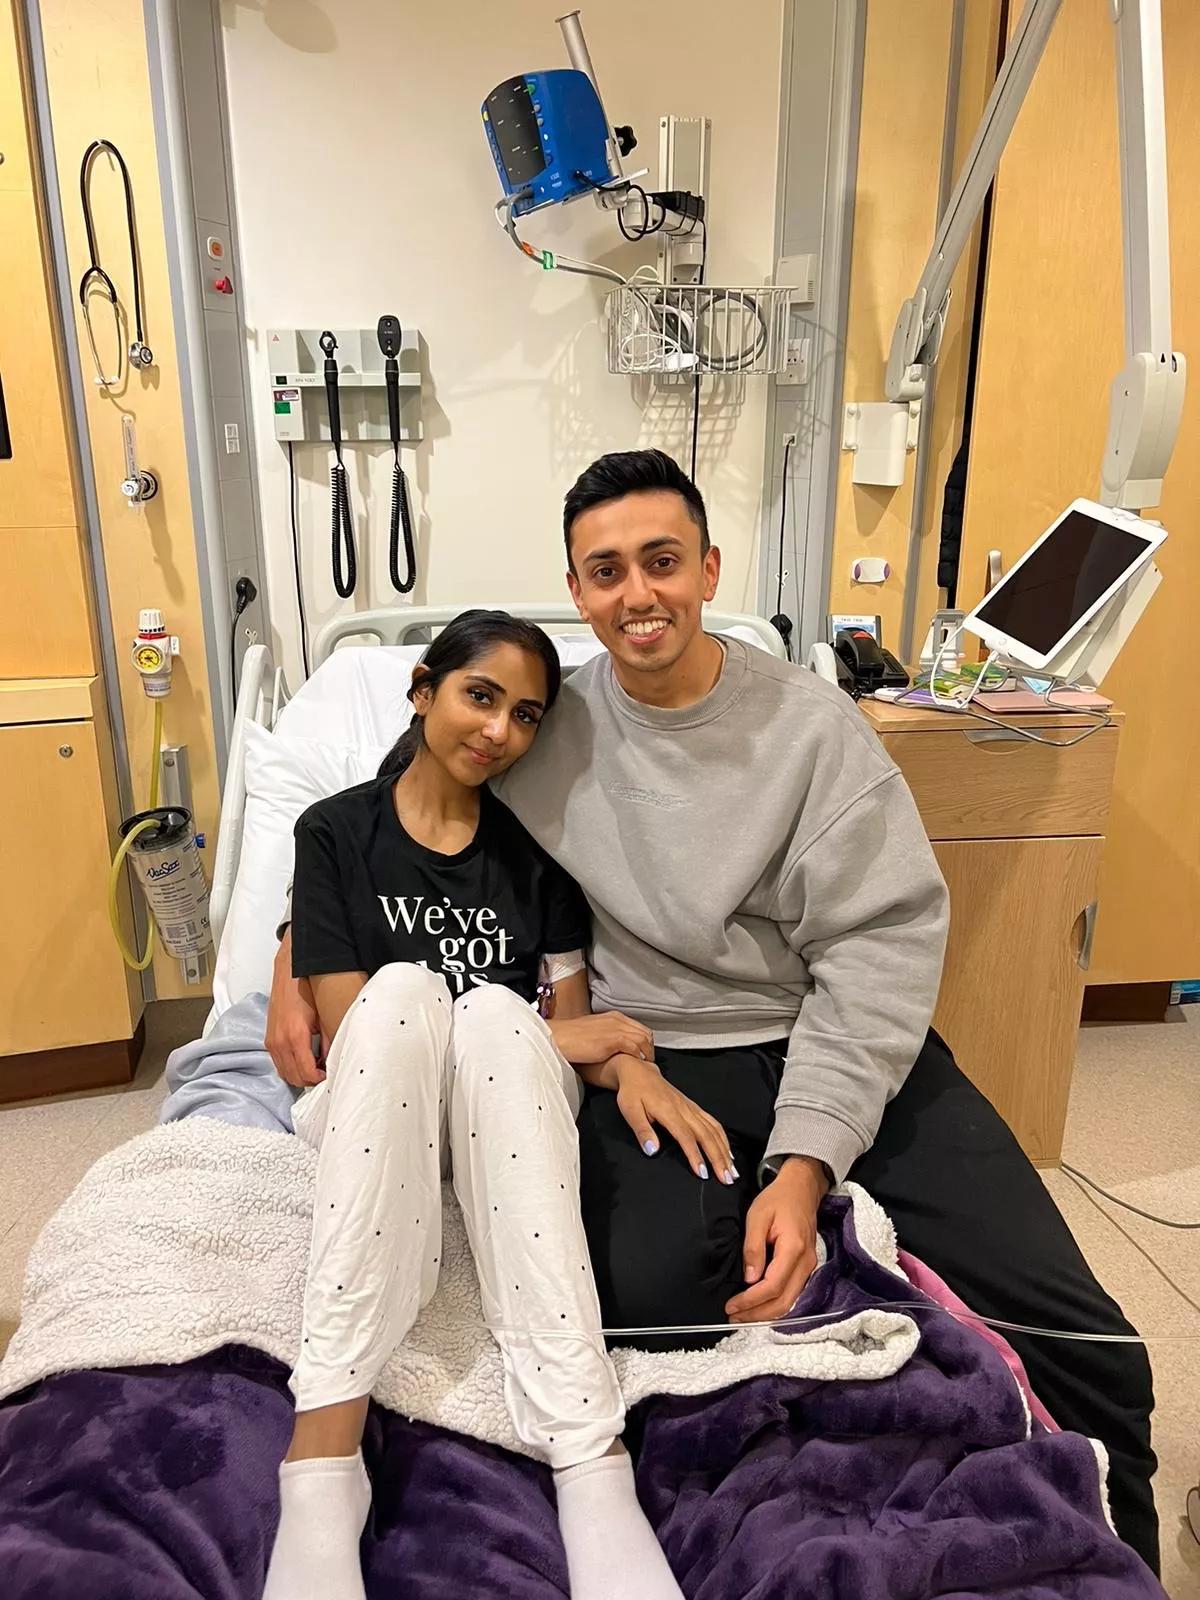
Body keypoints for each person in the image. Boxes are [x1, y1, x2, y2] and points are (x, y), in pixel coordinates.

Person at [269, 452, 1158, 1575]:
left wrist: (804, 1162)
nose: (637, 593)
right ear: (579, 591)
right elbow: (401, 802)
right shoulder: (546, 724)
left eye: (662, 562)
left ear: (707, 569)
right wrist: (293, 945)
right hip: (653, 1054)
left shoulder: (813, 731)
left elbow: (875, 954)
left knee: (1087, 1335)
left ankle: (1122, 1534)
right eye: (607, 571)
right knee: (643, 1313)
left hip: (815, 1031)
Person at [264, 610, 713, 1600]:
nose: (499, 730)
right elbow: (350, 1027)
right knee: (406, 995)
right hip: (379, 1102)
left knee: (498, 1018)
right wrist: (564, 1033)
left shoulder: (535, 853)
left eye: (525, 715)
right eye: (480, 696)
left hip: (502, 1108)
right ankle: (323, 1460)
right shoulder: (336, 831)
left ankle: (590, 1460)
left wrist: (624, 1057)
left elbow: (567, 1021)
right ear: (423, 688)